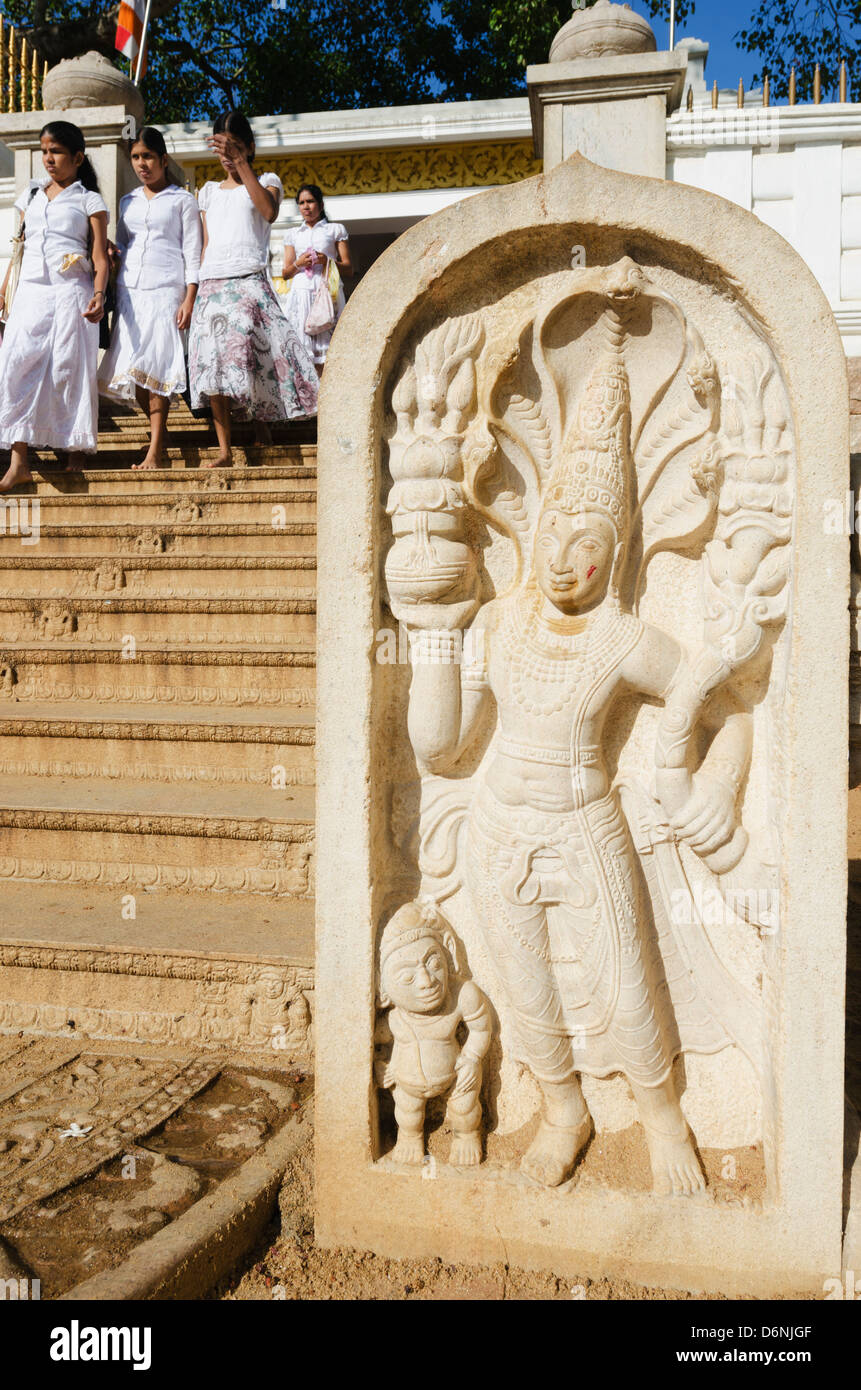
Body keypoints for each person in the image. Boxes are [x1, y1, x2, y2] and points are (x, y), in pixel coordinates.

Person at [188, 111, 318, 468]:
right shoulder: (208, 192)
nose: (227, 156)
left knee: (251, 351)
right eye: (223, 149)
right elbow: (206, 243)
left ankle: (262, 426)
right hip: (214, 280)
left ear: (249, 148)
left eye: (235, 148)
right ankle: (225, 449)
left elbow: (269, 212)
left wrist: (242, 163)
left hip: (248, 278)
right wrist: (196, 289)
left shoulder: (266, 180)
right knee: (213, 363)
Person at [0, 121, 109, 491]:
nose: (49, 158)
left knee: (67, 368)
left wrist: (99, 293)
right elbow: (20, 245)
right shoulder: (31, 194)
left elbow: (99, 256)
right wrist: (4, 288)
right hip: (31, 290)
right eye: (45, 150)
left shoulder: (88, 199)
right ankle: (19, 460)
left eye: (57, 151)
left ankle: (74, 450)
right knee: (16, 364)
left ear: (77, 157)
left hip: (71, 291)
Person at [98, 127, 202, 470]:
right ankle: (160, 436)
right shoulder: (128, 201)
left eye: (148, 157)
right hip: (131, 291)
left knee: (156, 367)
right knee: (134, 370)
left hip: (166, 289)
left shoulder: (183, 200)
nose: (142, 164)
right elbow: (126, 243)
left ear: (163, 159)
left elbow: (192, 250)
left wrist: (189, 297)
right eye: (136, 157)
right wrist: (114, 253)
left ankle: (155, 451)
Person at [281, 184, 351, 371]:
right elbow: (285, 273)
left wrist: (327, 260)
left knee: (329, 355)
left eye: (310, 201)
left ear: (320, 204)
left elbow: (348, 268)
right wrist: (299, 263)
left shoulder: (335, 230)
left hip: (327, 293)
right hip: (301, 294)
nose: (306, 206)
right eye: (301, 203)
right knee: (302, 356)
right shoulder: (292, 234)